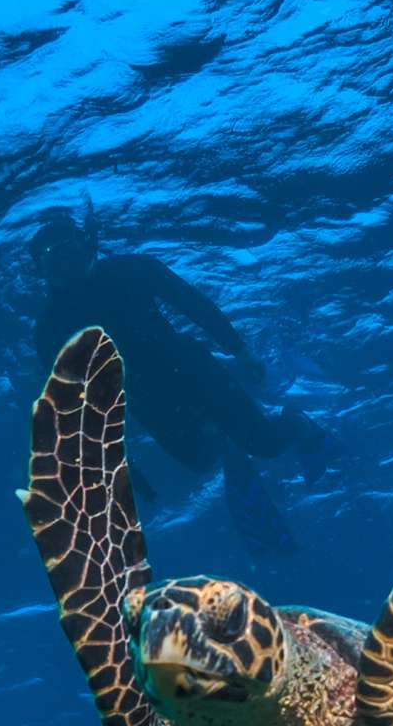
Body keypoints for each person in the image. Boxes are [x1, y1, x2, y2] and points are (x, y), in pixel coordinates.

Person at [28, 211, 327, 561]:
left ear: (85, 245)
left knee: (266, 444)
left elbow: (192, 303)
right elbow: (69, 404)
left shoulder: (132, 270)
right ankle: (220, 437)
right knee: (199, 461)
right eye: (51, 259)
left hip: (192, 369)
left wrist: (240, 349)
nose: (64, 264)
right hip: (147, 400)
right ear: (41, 271)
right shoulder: (50, 329)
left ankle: (297, 424)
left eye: (67, 251)